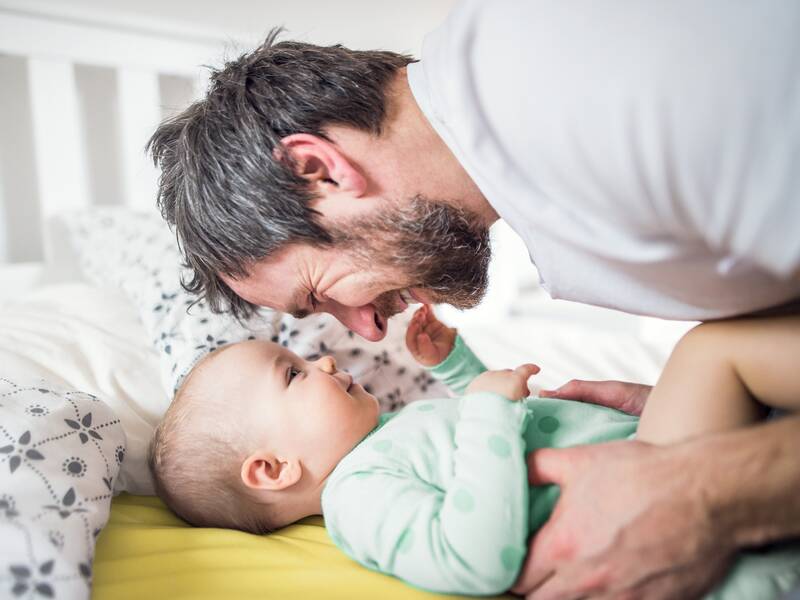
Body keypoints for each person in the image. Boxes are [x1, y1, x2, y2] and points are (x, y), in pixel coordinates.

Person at [147, 1, 800, 596]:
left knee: (713, 351)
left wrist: (708, 488)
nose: (367, 333)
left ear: (321, 169)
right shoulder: (528, 130)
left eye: (321, 292)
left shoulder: (613, 105)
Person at [148, 306, 800, 598]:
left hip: (665, 463)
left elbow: (469, 447)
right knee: (713, 349)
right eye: (291, 373)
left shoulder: (387, 440)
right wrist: (489, 406)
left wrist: (459, 369)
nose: (320, 358)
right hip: (652, 492)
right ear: (272, 470)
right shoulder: (358, 498)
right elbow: (475, 554)